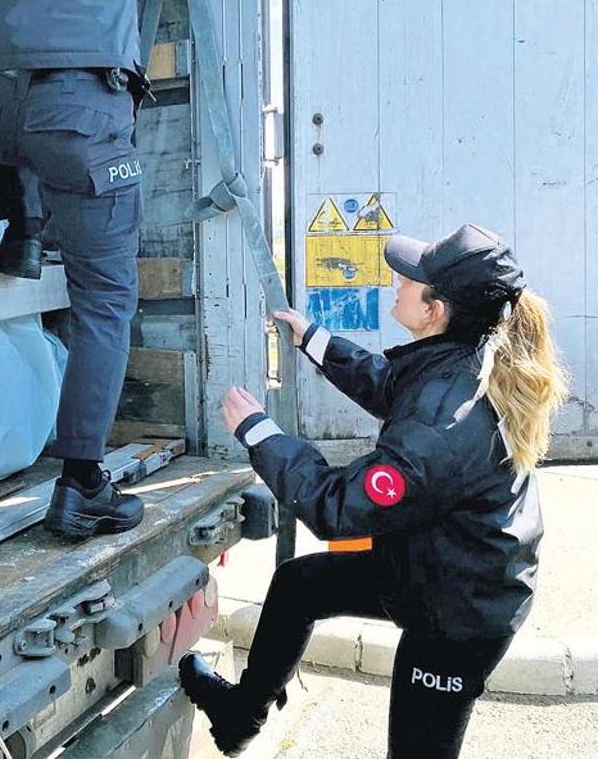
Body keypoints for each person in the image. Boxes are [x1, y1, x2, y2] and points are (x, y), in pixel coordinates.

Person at [179, 223, 568, 758]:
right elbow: (389, 384)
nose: (398, 286)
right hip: (435, 566)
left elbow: (339, 506)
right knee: (300, 585)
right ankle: (240, 715)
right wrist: (314, 339)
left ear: (434, 310)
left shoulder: (444, 424)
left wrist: (259, 433)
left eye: (409, 280)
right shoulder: (454, 356)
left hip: (459, 614)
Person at [0, 0, 181, 537]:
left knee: (15, 133)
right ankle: (84, 484)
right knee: (106, 300)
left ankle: (22, 233)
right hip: (78, 106)